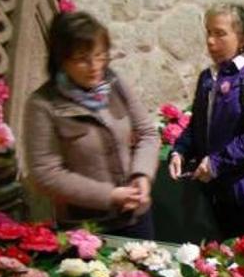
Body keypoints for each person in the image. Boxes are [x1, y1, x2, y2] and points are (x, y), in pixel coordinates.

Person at [24, 12, 159, 239]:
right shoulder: (43, 104)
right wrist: (110, 195)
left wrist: (142, 176)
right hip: (86, 228)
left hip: (136, 215)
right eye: (82, 59)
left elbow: (147, 133)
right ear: (61, 59)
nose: (95, 66)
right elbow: (45, 173)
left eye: (100, 55)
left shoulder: (114, 84)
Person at [169, 4, 244, 238]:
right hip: (214, 189)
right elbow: (196, 125)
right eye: (208, 32)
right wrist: (179, 151)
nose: (210, 41)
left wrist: (216, 163)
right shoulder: (208, 77)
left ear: (243, 39)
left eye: (220, 34)